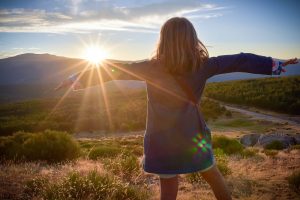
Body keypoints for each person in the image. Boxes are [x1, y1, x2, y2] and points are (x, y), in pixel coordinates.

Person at [55, 17, 298, 200]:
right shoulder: (204, 65)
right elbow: (240, 59)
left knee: (168, 188)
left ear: (163, 40)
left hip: (161, 140)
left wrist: (76, 80)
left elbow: (111, 68)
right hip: (193, 137)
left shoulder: (150, 68)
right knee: (212, 175)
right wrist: (274, 64)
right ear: (192, 39)